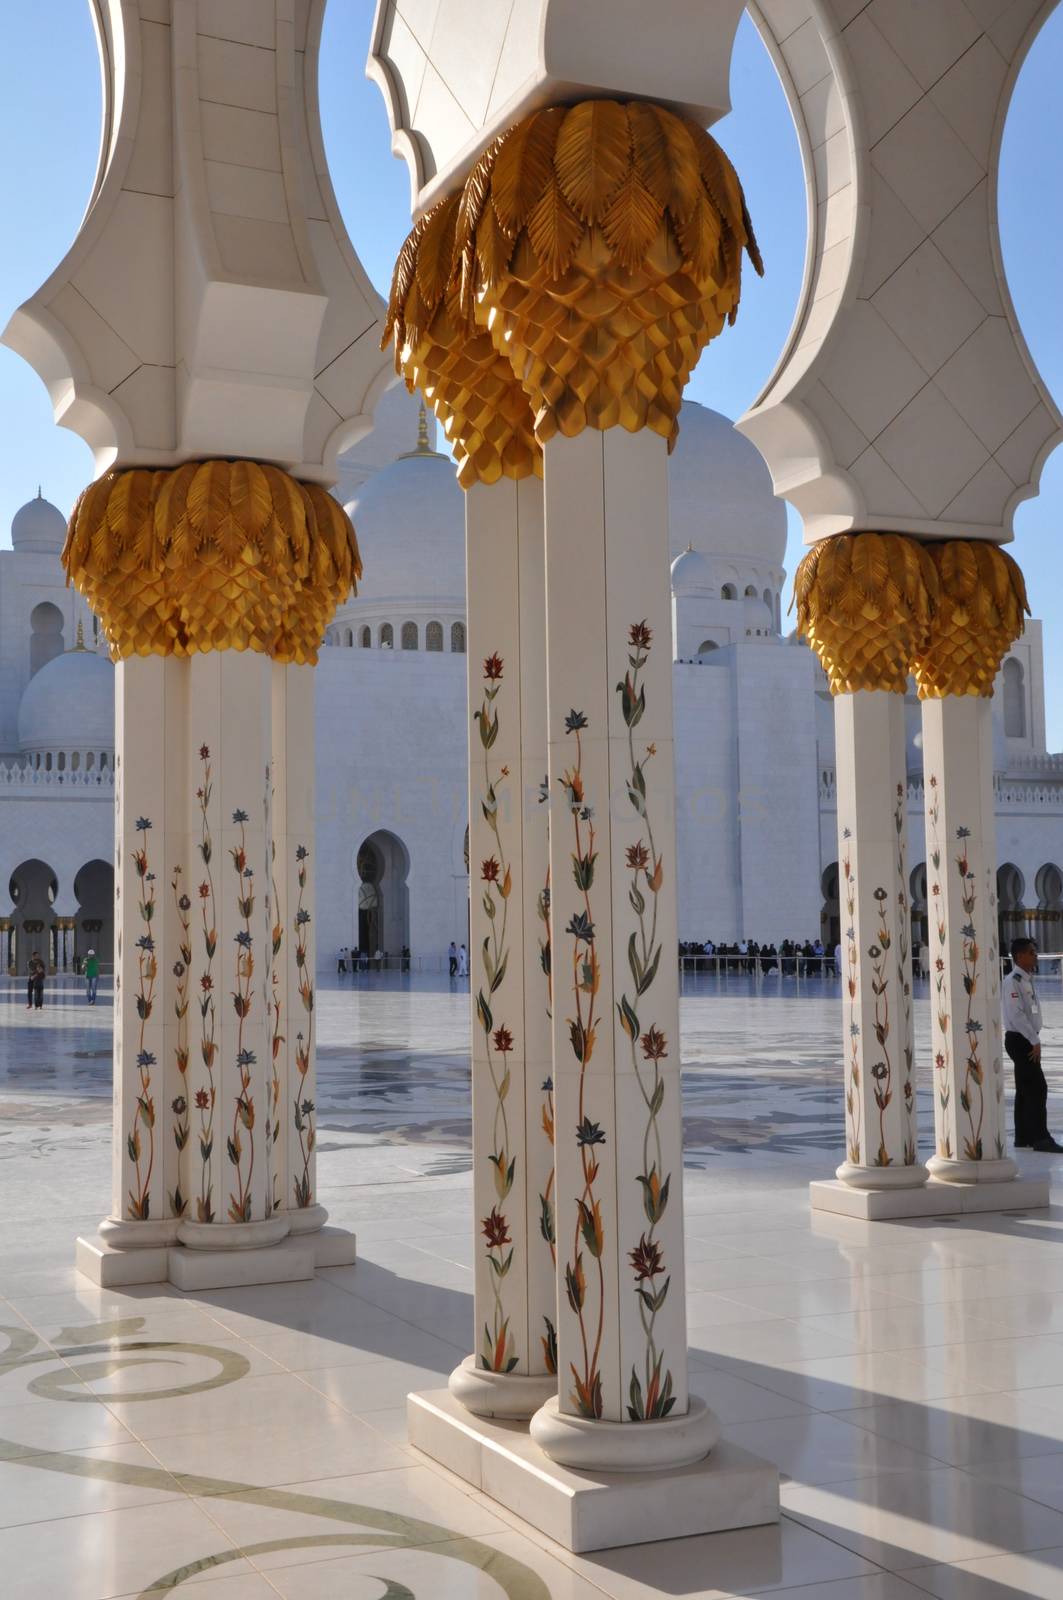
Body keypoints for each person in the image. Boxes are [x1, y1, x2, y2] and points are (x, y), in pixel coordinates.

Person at [1003, 937, 1062, 1153]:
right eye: (1031, 953)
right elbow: (1016, 1015)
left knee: (1025, 1089)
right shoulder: (1013, 980)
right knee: (1037, 1089)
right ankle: (1041, 1138)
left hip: (1025, 1038)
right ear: (1020, 956)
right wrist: (1034, 1040)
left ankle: (1023, 1136)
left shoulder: (1026, 978)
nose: (1035, 956)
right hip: (1022, 1040)